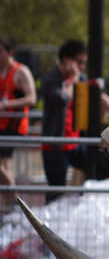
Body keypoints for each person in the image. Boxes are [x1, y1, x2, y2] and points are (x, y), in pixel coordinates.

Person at [40, 40, 87, 202]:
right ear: (67, 60)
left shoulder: (81, 78)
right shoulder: (50, 79)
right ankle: (48, 224)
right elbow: (61, 98)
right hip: (55, 144)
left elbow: (98, 95)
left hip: (75, 142)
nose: (82, 68)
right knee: (56, 189)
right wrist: (74, 79)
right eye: (79, 63)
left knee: (97, 164)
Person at [0, 36, 36, 206]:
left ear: (10, 52)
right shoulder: (2, 72)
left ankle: (15, 203)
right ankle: (9, 205)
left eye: (1, 51)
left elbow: (32, 98)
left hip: (14, 125)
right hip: (3, 124)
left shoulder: (21, 71)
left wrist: (7, 104)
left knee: (2, 168)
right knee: (4, 168)